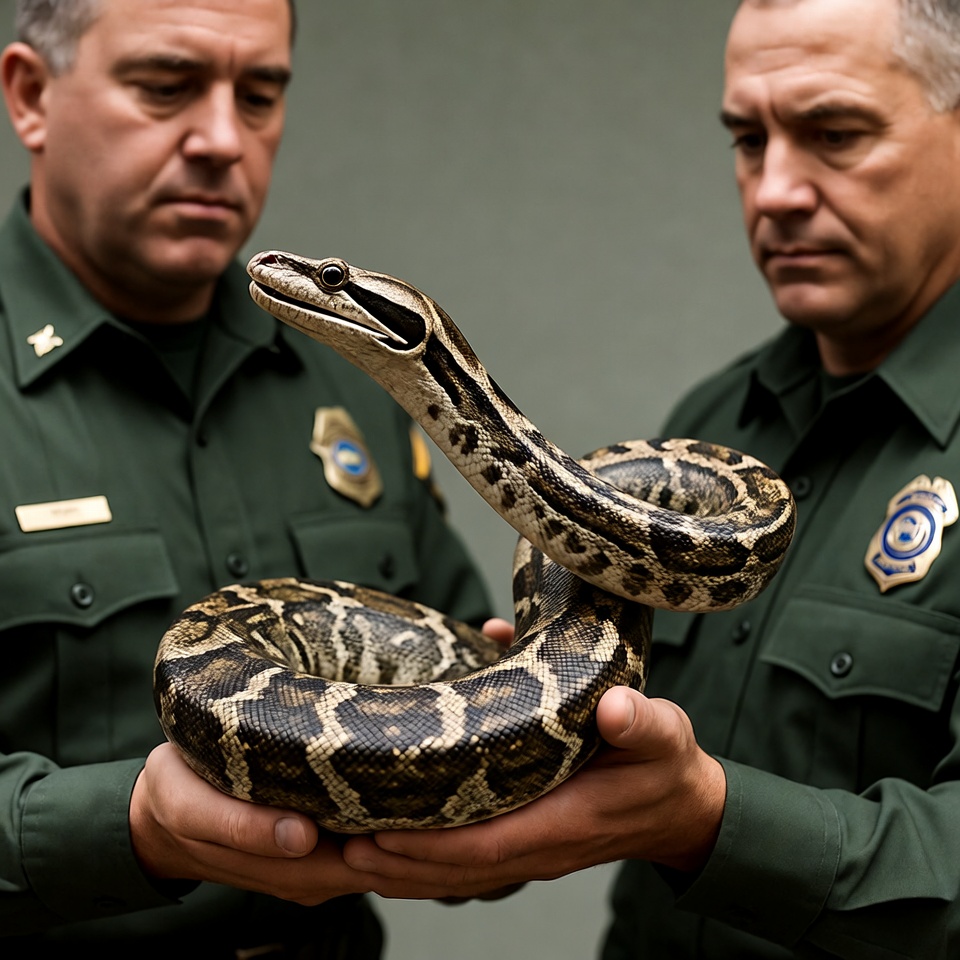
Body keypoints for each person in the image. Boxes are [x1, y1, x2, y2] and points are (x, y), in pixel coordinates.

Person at [338, 0, 960, 955]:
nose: (776, 189)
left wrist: (704, 819)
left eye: (835, 133)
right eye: (747, 140)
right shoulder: (712, 425)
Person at [0, 0, 496, 955]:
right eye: (166, 86)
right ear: (30, 95)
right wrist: (132, 829)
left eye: (260, 94)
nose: (224, 139)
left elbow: (475, 712)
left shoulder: (357, 379)